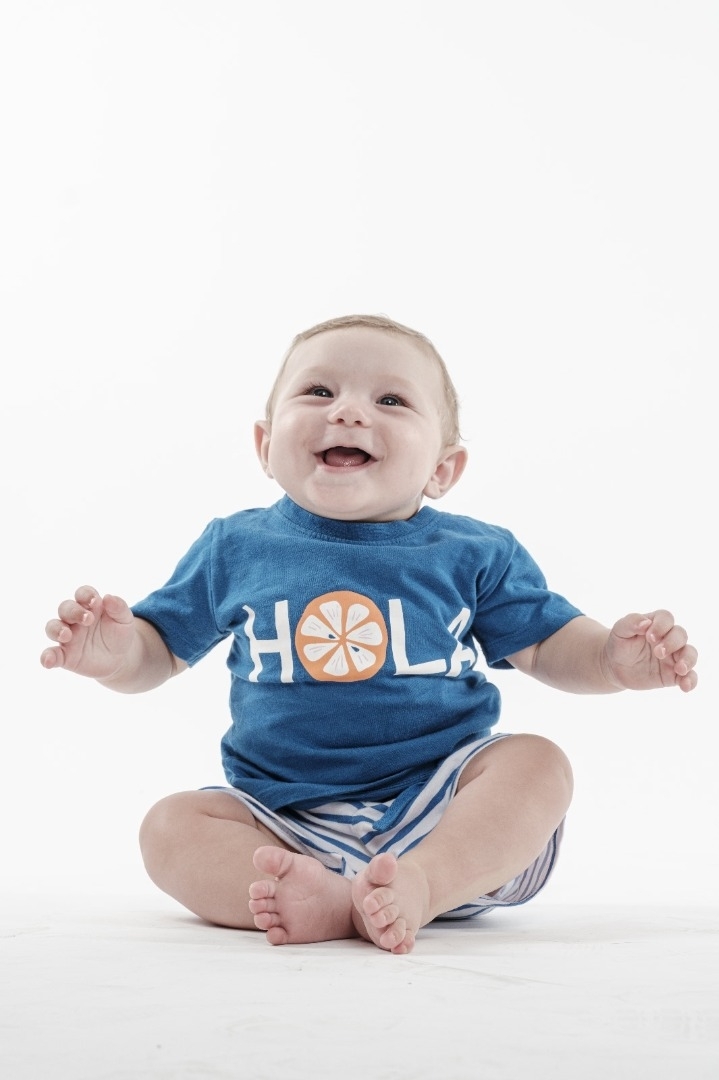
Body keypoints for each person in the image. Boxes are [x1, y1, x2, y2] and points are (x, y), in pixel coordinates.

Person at [40, 313, 698, 955]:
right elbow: (160, 649)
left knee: (536, 763)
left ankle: (424, 884)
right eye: (318, 391)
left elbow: (548, 644)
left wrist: (610, 660)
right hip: (286, 825)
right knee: (170, 827)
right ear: (264, 446)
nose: (349, 412)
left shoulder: (472, 553)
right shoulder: (235, 548)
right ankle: (326, 902)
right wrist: (118, 654)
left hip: (445, 815)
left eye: (390, 400)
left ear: (442, 470)